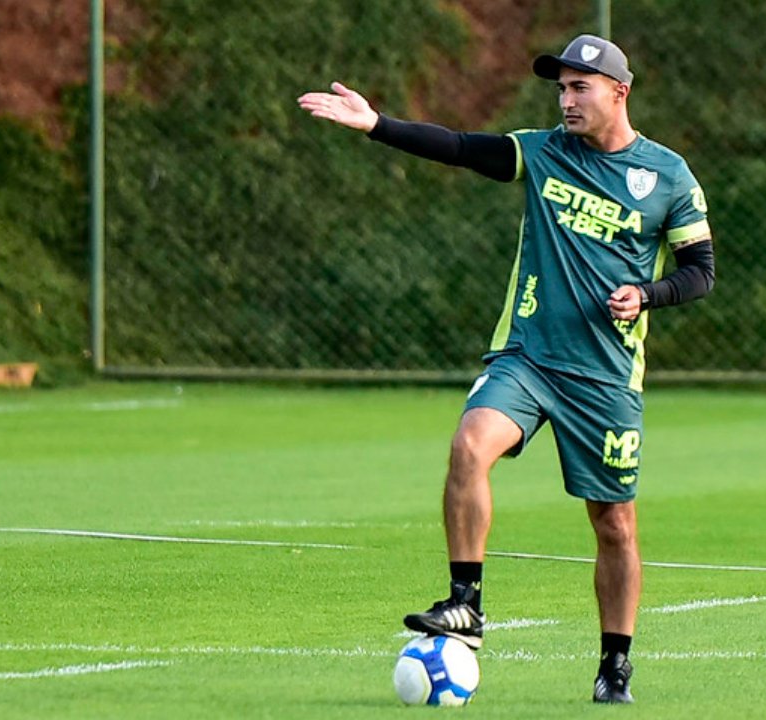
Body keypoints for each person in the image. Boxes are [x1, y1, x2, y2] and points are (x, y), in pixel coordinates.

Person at [298, 33, 714, 704]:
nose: (566, 100)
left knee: (614, 524)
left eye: (580, 87)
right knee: (469, 445)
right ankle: (466, 603)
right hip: (528, 356)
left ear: (619, 92)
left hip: (605, 376)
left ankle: (615, 663)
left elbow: (700, 271)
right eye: (562, 88)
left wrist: (648, 295)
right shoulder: (544, 153)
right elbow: (462, 147)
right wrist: (376, 124)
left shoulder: (667, 175)